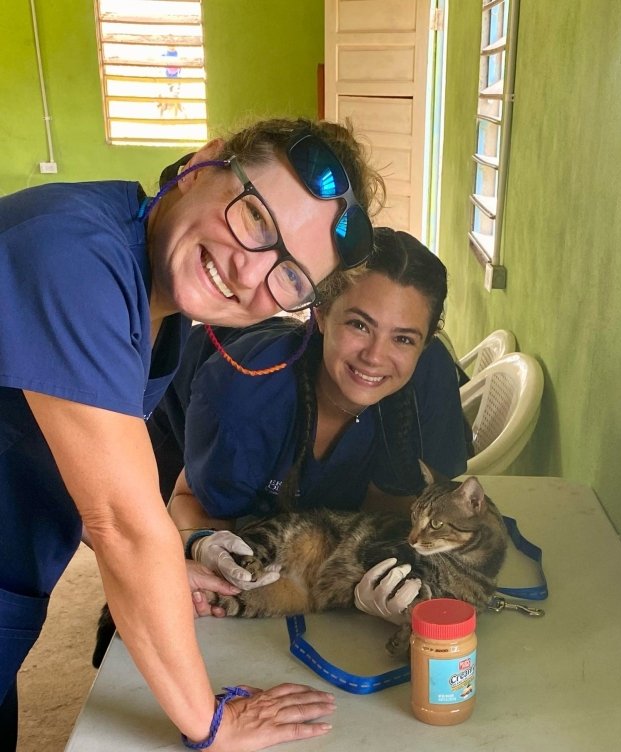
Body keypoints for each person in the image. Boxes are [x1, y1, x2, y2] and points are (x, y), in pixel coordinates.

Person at [0, 117, 382, 751]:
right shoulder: (75, 256)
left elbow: (79, 459)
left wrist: (168, 570)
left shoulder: (162, 304)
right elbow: (121, 520)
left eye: (289, 277)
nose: (248, 270)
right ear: (202, 164)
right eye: (257, 219)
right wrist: (212, 723)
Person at [161, 227, 467, 624]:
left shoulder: (429, 379)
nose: (376, 357)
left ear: (425, 345)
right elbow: (190, 499)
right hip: (172, 425)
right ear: (319, 312)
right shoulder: (245, 394)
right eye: (359, 325)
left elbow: (406, 510)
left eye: (404, 339)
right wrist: (201, 543)